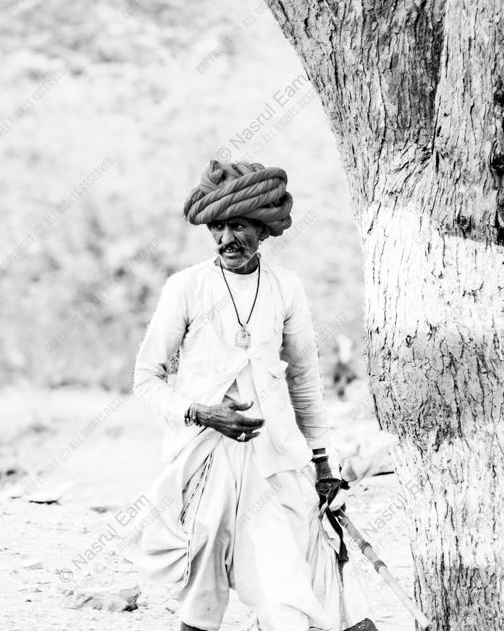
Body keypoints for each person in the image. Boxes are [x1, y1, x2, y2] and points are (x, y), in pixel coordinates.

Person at [124, 160, 372, 631]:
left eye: (237, 226)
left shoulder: (286, 288)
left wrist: (324, 463)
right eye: (217, 228)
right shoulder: (186, 288)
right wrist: (200, 412)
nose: (226, 240)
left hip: (274, 458)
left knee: (298, 579)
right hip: (205, 460)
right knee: (202, 593)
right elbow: (146, 377)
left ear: (262, 229)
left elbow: (304, 381)